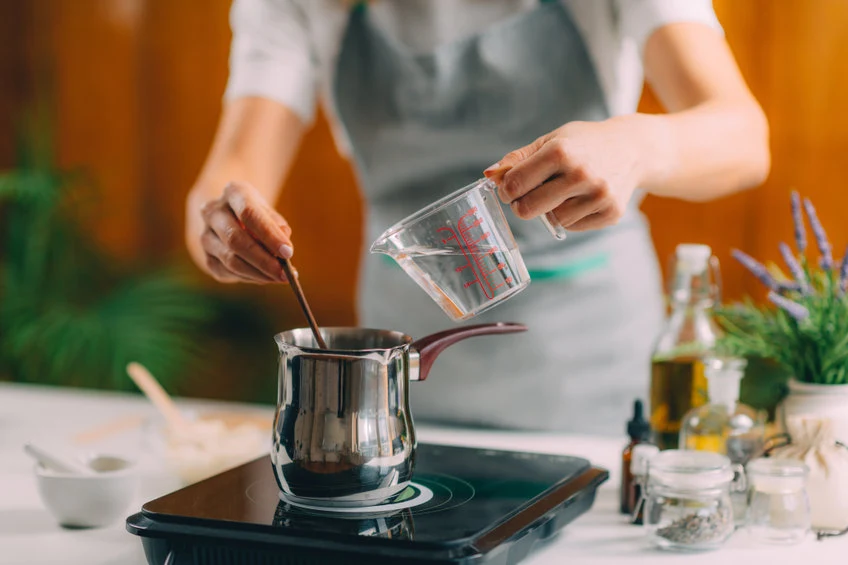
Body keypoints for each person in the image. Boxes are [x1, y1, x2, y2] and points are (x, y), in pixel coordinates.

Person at [185, 0, 769, 434]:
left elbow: (744, 139)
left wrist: (638, 146)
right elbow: (232, 171)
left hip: (589, 360)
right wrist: (219, 225)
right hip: (407, 370)